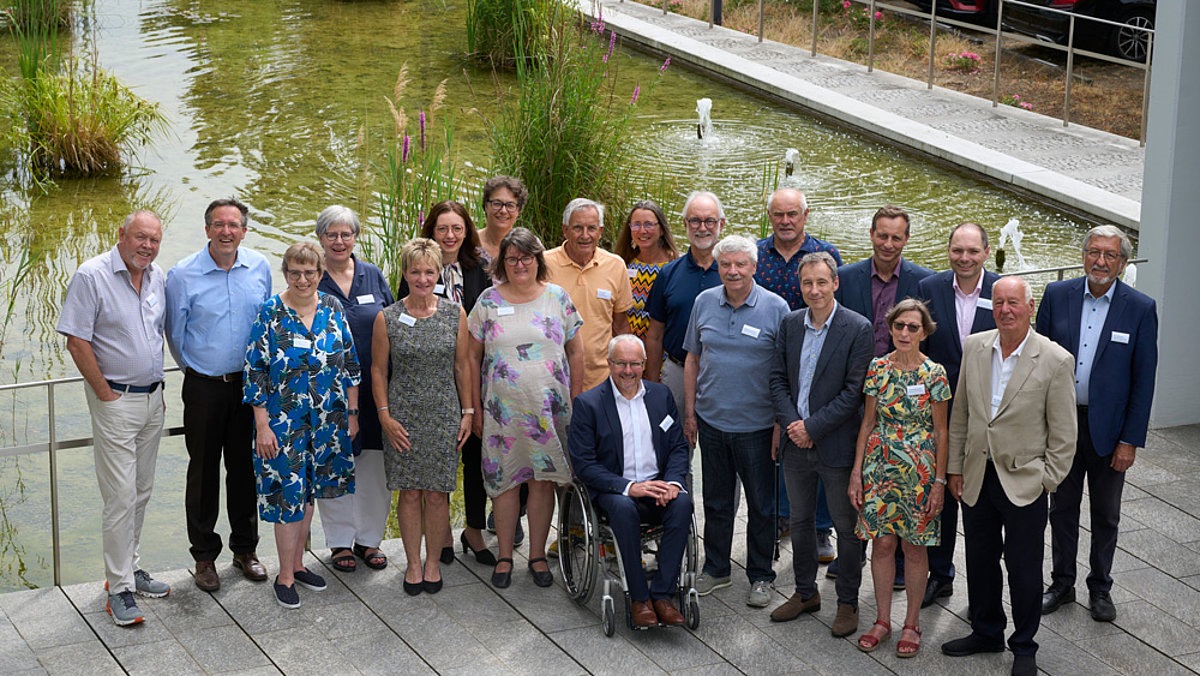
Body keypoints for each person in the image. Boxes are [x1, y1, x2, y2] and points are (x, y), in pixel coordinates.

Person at [941, 276, 1076, 676]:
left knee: (1023, 567)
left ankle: (1024, 644)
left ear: (1029, 307)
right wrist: (954, 469)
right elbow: (962, 413)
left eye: (1013, 303)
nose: (1005, 310)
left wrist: (1045, 480)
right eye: (998, 302)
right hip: (977, 475)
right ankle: (986, 631)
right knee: (980, 560)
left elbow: (1065, 437)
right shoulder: (975, 347)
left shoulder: (1055, 360)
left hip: (1024, 482)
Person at [1036, 225, 1158, 623]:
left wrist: (1130, 440)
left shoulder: (1140, 308)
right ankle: (1062, 583)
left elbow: (1144, 381)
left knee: (1106, 513)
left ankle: (1100, 587)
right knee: (1062, 508)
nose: (1100, 262)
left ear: (1122, 263)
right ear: (1084, 254)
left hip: (1109, 431)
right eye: (1093, 252)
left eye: (1110, 255)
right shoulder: (1057, 296)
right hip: (1062, 425)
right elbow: (1037, 362)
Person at [58, 210, 172, 626]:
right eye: (140, 237)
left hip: (152, 401)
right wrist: (105, 395)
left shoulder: (157, 276)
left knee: (141, 490)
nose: (147, 246)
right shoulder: (92, 276)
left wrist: (157, 389)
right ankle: (119, 588)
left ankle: (131, 568)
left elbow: (155, 336)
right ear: (121, 234)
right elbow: (76, 341)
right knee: (120, 497)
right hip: (116, 402)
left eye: (154, 240)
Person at [244, 241, 360, 610]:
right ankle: (284, 575)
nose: (302, 278)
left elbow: (350, 364)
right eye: (295, 272)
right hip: (283, 424)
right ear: (286, 273)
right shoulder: (271, 312)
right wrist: (262, 426)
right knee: (287, 497)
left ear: (320, 274)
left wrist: (353, 415)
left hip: (327, 421)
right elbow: (255, 372)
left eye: (310, 272)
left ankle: (299, 564)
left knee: (310, 493)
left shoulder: (332, 307)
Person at [466, 227, 584, 589]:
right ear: (502, 262)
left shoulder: (557, 298)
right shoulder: (487, 301)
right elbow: (471, 359)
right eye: (512, 258)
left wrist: (575, 401)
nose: (520, 264)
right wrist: (475, 408)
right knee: (504, 483)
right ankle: (504, 554)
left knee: (541, 480)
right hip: (502, 411)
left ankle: (535, 555)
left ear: (538, 260)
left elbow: (576, 351)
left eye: (527, 257)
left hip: (549, 410)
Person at [165, 198, 271, 592]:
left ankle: (245, 550)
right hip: (204, 386)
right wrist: (195, 370)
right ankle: (204, 557)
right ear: (207, 229)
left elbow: (264, 328)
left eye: (234, 225)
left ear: (244, 230)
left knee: (245, 471)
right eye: (218, 224)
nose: (227, 231)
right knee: (204, 470)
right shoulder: (183, 274)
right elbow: (174, 333)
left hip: (249, 387)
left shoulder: (259, 267)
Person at [767, 252, 873, 638]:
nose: (814, 290)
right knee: (799, 522)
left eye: (821, 282)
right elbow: (777, 378)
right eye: (808, 283)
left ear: (835, 283)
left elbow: (854, 392)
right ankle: (805, 592)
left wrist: (812, 427)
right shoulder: (791, 324)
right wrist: (792, 424)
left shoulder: (857, 328)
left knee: (846, 528)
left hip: (835, 446)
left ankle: (847, 602)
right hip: (795, 445)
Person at [683, 235, 789, 608]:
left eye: (740, 264)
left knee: (762, 505)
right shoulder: (704, 302)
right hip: (712, 422)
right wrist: (691, 413)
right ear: (718, 267)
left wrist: (780, 423)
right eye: (725, 264)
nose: (732, 271)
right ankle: (716, 568)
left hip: (758, 427)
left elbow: (785, 371)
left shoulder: (776, 308)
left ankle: (761, 575)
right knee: (716, 501)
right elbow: (693, 359)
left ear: (754, 267)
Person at [834, 204, 934, 587]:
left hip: (902, 397)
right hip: (853, 389)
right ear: (871, 234)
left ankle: (899, 560)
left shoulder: (924, 283)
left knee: (902, 478)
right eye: (882, 235)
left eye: (896, 237)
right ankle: (853, 551)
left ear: (906, 239)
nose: (888, 243)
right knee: (853, 471)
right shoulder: (846, 277)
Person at [567, 335, 693, 626]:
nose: (628, 371)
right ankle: (639, 598)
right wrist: (628, 487)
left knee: (683, 503)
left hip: (656, 485)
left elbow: (677, 447)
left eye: (634, 364)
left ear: (644, 364)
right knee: (624, 509)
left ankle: (662, 594)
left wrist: (673, 483)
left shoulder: (661, 396)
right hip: (614, 491)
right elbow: (584, 465)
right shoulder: (589, 404)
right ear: (609, 364)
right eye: (620, 363)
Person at [849, 299, 950, 657]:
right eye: (899, 326)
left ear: (924, 332)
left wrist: (939, 482)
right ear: (890, 328)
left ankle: (912, 623)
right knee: (882, 544)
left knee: (914, 546)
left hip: (919, 472)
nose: (905, 333)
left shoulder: (934, 374)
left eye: (913, 327)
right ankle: (881, 621)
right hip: (879, 466)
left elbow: (942, 432)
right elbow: (867, 422)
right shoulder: (877, 368)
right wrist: (857, 473)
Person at [372, 239, 473, 595]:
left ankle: (433, 563)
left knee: (436, 494)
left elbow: (462, 366)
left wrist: (468, 412)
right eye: (415, 271)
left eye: (429, 271)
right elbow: (379, 371)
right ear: (405, 273)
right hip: (402, 418)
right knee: (410, 493)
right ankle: (413, 565)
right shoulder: (387, 318)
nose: (422, 278)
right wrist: (384, 416)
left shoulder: (454, 314)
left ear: (438, 273)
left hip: (444, 414)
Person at [402, 201, 497, 566]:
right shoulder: (420, 267)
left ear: (467, 230)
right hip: (431, 378)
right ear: (431, 231)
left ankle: (473, 529)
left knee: (474, 452)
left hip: (474, 371)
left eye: (457, 228)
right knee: (434, 458)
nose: (450, 236)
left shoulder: (481, 267)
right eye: (442, 229)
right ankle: (438, 536)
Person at [754, 187, 842, 562]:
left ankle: (822, 527)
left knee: (816, 440)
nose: (785, 221)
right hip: (770, 361)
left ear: (806, 215)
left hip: (817, 359)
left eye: (793, 214)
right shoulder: (756, 255)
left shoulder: (825, 255)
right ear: (769, 215)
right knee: (778, 443)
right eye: (778, 215)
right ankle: (781, 515)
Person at [915, 221, 999, 607]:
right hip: (941, 411)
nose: (964, 258)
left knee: (980, 499)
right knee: (941, 497)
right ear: (948, 251)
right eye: (957, 251)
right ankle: (941, 573)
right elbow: (920, 346)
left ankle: (983, 583)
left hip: (988, 414)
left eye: (972, 251)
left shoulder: (1001, 291)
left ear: (985, 252)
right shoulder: (929, 289)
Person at [313, 206, 394, 574]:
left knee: (374, 464)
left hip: (375, 388)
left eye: (346, 234)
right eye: (332, 234)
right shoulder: (312, 279)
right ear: (320, 239)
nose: (339, 241)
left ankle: (369, 539)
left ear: (356, 238)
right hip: (328, 394)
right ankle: (340, 542)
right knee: (335, 464)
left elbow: (393, 323)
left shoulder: (372, 275)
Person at [644, 191, 724, 414]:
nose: (702, 227)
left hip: (719, 374)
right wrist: (652, 383)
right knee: (675, 443)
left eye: (709, 221)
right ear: (685, 224)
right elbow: (655, 334)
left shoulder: (734, 274)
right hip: (676, 372)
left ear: (721, 224)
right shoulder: (668, 274)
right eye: (695, 221)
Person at [544, 198, 634, 390]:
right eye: (578, 228)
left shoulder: (615, 266)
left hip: (600, 379)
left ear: (600, 232)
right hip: (552, 377)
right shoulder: (543, 264)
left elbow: (620, 325)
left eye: (591, 228)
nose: (585, 235)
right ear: (565, 230)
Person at [615, 200, 680, 346]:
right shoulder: (621, 264)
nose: (642, 231)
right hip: (627, 353)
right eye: (636, 224)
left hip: (662, 353)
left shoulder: (675, 267)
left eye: (649, 224)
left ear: (661, 229)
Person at [477, 175, 528, 263]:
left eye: (510, 205)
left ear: (518, 210)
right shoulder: (469, 244)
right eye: (497, 204)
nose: (503, 211)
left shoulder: (529, 246)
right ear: (486, 206)